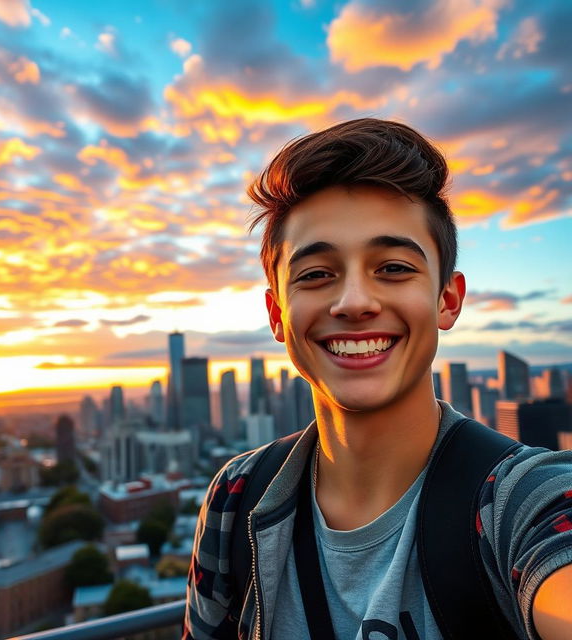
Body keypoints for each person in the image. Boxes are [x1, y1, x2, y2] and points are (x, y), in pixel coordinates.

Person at [182, 119, 572, 639]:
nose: (355, 303)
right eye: (316, 274)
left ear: (447, 300)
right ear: (278, 314)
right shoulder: (238, 497)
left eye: (393, 268)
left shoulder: (523, 502)